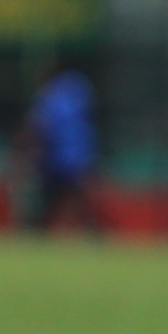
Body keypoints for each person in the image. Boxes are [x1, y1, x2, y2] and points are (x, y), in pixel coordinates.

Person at [26, 60, 101, 233]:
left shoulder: (51, 96)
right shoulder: (78, 90)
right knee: (76, 196)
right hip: (80, 155)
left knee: (53, 196)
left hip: (58, 157)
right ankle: (83, 228)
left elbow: (42, 126)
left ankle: (47, 228)